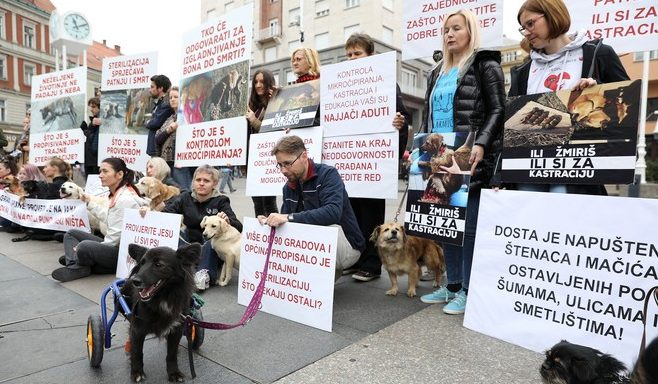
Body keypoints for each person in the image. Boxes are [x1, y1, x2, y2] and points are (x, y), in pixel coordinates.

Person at [418, 9, 505, 315]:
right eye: (446, 30)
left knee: (467, 228)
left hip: (469, 154)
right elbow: (428, 117)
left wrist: (481, 143)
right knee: (445, 226)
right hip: (437, 154)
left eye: (457, 28)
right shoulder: (436, 71)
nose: (450, 34)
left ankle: (469, 289)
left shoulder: (485, 65)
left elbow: (498, 109)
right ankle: (452, 285)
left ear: (471, 31)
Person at [509, 0, 630, 195]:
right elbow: (509, 123)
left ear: (552, 15)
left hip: (577, 165)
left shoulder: (598, 54)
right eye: (523, 28)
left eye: (530, 24)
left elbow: (627, 106)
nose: (527, 32)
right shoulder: (523, 71)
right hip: (528, 165)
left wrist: (599, 91)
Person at [341, 32, 413, 282]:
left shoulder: (386, 84)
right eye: (349, 54)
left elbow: (403, 119)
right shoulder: (342, 86)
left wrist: (399, 123)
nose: (352, 58)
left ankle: (372, 264)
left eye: (357, 53)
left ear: (370, 55)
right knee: (352, 215)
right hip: (349, 161)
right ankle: (356, 259)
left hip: (371, 162)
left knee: (371, 214)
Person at [258, 135, 365, 280]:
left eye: (287, 163)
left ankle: (320, 279)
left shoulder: (328, 175)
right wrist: (268, 222)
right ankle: (314, 284)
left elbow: (333, 212)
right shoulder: (288, 187)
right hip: (313, 247)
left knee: (331, 228)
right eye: (280, 165)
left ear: (304, 156)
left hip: (347, 246)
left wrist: (288, 217)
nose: (283, 170)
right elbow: (285, 224)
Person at [52, 158, 147, 282]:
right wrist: (88, 203)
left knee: (84, 246)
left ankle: (78, 263)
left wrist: (88, 248)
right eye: (100, 171)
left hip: (121, 253)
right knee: (71, 234)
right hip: (113, 246)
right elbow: (108, 218)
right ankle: (78, 264)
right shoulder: (118, 193)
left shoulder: (125, 199)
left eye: (105, 171)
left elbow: (113, 238)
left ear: (119, 174)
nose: (100, 175)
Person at [161, 165, 242, 290]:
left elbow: (238, 226)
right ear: (193, 182)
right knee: (174, 232)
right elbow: (166, 214)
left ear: (214, 184)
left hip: (211, 249)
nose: (201, 184)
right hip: (190, 243)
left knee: (213, 240)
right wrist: (148, 211)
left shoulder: (221, 201)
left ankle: (203, 274)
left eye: (206, 181)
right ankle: (168, 269)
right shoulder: (185, 197)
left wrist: (227, 220)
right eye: (198, 180)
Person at [246, 69, 279, 217]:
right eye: (256, 82)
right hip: (252, 159)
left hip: (267, 158)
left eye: (262, 82)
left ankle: (274, 236)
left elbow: (272, 130)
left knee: (269, 203)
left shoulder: (275, 103)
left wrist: (253, 120)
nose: (258, 85)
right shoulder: (253, 105)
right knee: (257, 203)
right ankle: (261, 237)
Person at [154, 86, 193, 188]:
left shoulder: (188, 116)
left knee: (184, 192)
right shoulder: (170, 119)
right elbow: (157, 139)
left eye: (176, 97)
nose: (172, 99)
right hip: (167, 162)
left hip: (182, 163)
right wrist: (169, 130)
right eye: (171, 97)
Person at [146, 75, 174, 157]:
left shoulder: (165, 104)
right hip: (155, 148)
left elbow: (156, 123)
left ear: (160, 88)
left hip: (159, 149)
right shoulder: (160, 103)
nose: (150, 90)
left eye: (152, 87)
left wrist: (147, 122)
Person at [80, 97, 101, 176]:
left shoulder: (98, 121)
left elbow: (94, 139)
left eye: (94, 107)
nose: (91, 109)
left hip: (94, 159)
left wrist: (85, 130)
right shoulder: (94, 120)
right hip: (90, 158)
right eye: (91, 107)